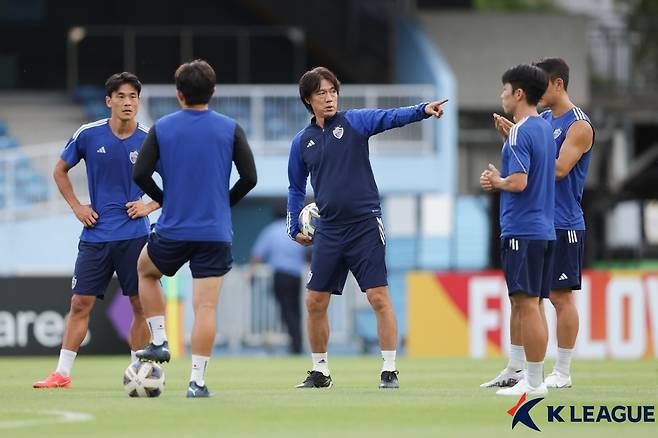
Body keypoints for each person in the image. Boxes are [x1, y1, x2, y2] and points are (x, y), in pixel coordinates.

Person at [287, 66, 447, 389]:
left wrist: (423, 111)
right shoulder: (301, 142)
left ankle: (389, 368)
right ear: (308, 99)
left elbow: (389, 117)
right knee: (314, 302)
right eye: (321, 93)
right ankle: (320, 371)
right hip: (328, 230)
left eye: (333, 91)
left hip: (364, 226)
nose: (329, 98)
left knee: (378, 298)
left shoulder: (355, 122)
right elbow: (294, 188)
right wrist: (293, 228)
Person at [132, 59, 257, 398]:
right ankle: (197, 382)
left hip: (174, 229)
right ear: (213, 92)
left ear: (179, 94)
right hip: (214, 233)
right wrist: (223, 203)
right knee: (205, 309)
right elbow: (250, 178)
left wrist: (165, 198)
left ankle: (159, 340)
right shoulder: (230, 128)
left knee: (145, 270)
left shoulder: (163, 127)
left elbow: (140, 174)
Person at [34, 72, 158, 389]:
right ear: (109, 101)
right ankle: (62, 373)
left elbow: (175, 180)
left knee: (138, 306)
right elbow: (60, 170)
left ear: (138, 101)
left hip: (135, 237)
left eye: (133, 96)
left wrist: (149, 205)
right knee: (79, 304)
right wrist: (77, 206)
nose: (127, 102)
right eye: (121, 96)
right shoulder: (89, 134)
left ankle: (137, 372)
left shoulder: (149, 138)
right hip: (96, 235)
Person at [485, 58, 594, 389]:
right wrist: (513, 139)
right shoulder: (542, 120)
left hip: (564, 221)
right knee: (524, 299)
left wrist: (521, 142)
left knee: (560, 298)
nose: (538, 90)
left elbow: (558, 170)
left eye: (543, 83)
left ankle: (562, 370)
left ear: (559, 84)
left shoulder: (579, 125)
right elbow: (532, 161)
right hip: (542, 219)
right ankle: (518, 368)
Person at [479, 64, 555, 396]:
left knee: (526, 304)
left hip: (522, 230)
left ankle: (534, 382)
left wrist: (496, 181)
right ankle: (523, 373)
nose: (502, 96)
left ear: (519, 93)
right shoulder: (541, 129)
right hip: (542, 228)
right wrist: (510, 137)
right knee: (530, 303)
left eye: (505, 91)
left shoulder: (522, 132)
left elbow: (521, 182)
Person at [250, 212, 307, 354]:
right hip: (295, 276)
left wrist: (251, 273)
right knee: (296, 310)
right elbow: (308, 251)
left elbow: (257, 253)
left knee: (286, 310)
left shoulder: (271, 230)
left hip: (280, 276)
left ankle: (295, 345)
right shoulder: (297, 230)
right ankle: (297, 343)